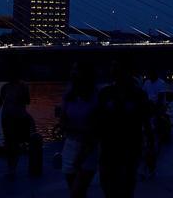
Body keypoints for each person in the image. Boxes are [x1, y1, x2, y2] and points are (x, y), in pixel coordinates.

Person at [95, 63, 152, 197]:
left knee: (128, 183)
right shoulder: (105, 93)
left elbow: (146, 120)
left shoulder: (139, 95)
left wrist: (150, 146)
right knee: (107, 183)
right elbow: (98, 119)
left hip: (131, 145)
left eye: (119, 70)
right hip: (109, 145)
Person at [60, 64, 99, 198]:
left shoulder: (95, 97)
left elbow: (95, 128)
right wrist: (82, 129)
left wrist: (72, 128)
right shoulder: (69, 96)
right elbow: (62, 121)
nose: (73, 74)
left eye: (76, 72)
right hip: (70, 145)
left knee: (77, 192)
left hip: (88, 148)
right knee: (76, 191)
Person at [0, 69, 31, 177]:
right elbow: (0, 102)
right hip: (6, 118)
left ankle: (12, 168)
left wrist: (21, 96)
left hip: (18, 118)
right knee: (9, 142)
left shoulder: (23, 86)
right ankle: (10, 167)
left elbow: (28, 101)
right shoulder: (5, 87)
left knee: (15, 143)